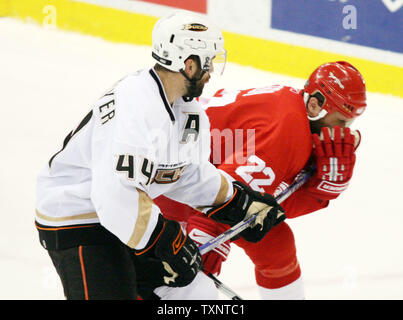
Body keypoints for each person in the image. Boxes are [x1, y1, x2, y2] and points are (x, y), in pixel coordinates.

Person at [34, 11, 285, 300]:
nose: (212, 70)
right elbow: (116, 197)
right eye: (209, 62)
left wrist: (238, 201)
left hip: (122, 222)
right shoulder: (135, 105)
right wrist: (166, 240)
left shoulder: (186, 110)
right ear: (189, 64)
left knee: (199, 294)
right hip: (77, 220)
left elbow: (187, 172)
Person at [138, 60, 367, 300]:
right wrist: (202, 258)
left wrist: (319, 191)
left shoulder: (292, 106)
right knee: (183, 283)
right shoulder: (286, 133)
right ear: (315, 105)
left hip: (191, 176)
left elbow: (265, 203)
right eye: (340, 121)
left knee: (277, 245)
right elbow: (222, 202)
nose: (343, 131)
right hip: (168, 186)